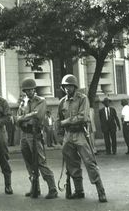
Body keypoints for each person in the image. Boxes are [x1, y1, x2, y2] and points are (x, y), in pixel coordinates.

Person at [58, 74, 107, 203]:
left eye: (69, 86)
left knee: (90, 162)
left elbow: (83, 117)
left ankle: (101, 191)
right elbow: (58, 119)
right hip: (68, 135)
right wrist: (59, 134)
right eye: (65, 86)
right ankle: (79, 191)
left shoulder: (82, 98)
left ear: (74, 87)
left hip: (80, 134)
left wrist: (65, 122)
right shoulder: (62, 102)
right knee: (72, 164)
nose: (67, 89)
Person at [17, 78, 58, 199]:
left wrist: (23, 117)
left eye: (31, 90)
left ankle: (52, 188)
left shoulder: (41, 101)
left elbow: (38, 115)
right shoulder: (23, 101)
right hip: (24, 134)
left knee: (40, 161)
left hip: (35, 134)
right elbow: (17, 117)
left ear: (34, 90)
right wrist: (25, 117)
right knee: (28, 162)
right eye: (26, 90)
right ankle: (35, 187)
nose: (28, 92)